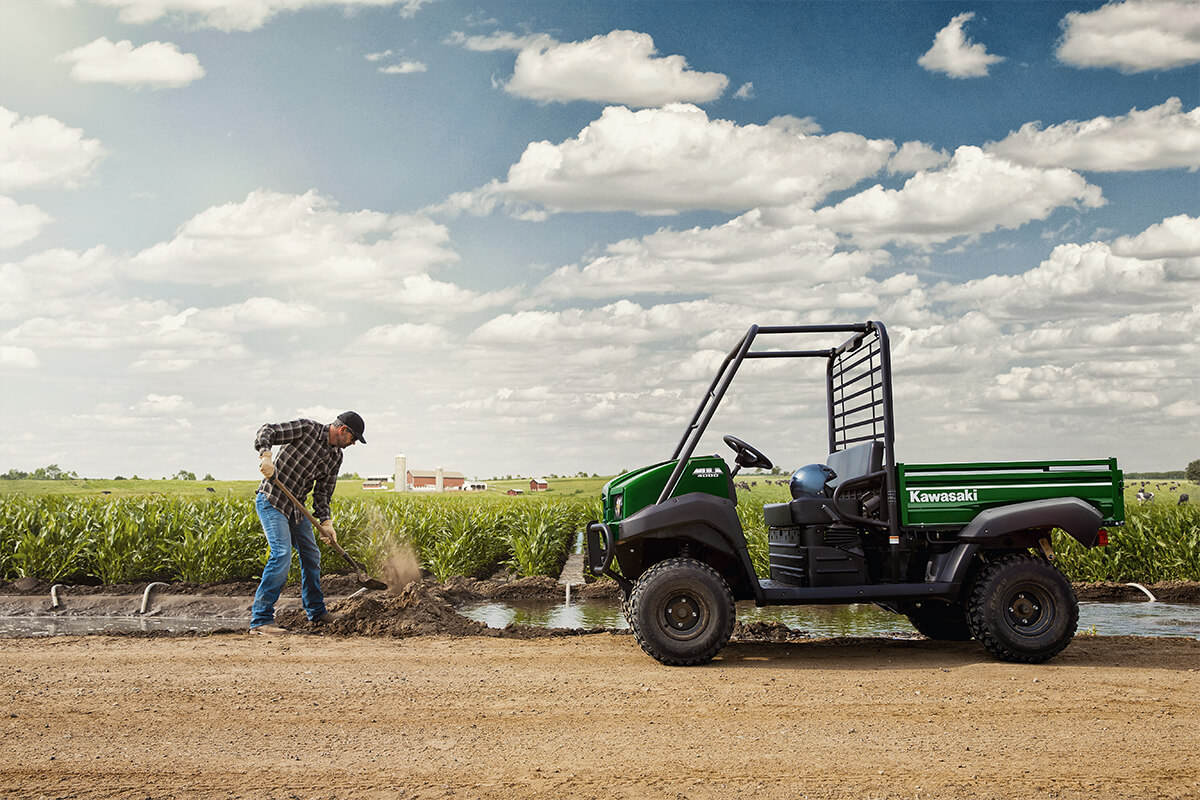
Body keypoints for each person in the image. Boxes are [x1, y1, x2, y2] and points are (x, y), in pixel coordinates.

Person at [249, 411, 366, 635]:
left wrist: (326, 522)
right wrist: (265, 456)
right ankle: (261, 620)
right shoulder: (306, 429)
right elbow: (267, 430)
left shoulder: (335, 457)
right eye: (353, 439)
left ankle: (316, 612)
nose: (352, 444)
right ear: (343, 430)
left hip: (296, 509)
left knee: (312, 556)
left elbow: (322, 494)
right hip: (272, 501)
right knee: (281, 554)